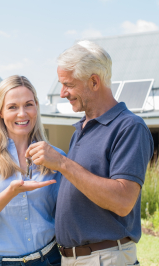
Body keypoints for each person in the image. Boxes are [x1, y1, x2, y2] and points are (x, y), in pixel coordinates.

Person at [26, 41, 153, 266]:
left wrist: (63, 163)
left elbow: (123, 201)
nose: (63, 93)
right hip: (76, 258)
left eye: (68, 85)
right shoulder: (81, 129)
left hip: (105, 258)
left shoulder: (129, 127)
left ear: (94, 81)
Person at [0, 75, 65, 266]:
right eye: (12, 107)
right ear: (0, 112)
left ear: (36, 108)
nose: (22, 113)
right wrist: (10, 193)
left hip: (48, 260)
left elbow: (65, 215)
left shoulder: (55, 157)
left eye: (28, 104)